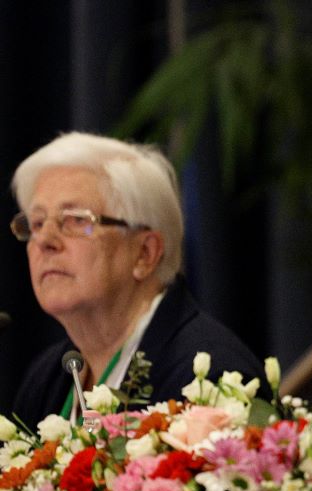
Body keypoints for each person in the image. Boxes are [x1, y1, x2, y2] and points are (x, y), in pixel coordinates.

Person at [7, 132, 268, 428]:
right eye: (37, 223)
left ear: (145, 253)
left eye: (76, 220)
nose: (45, 241)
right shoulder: (46, 380)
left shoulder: (211, 380)